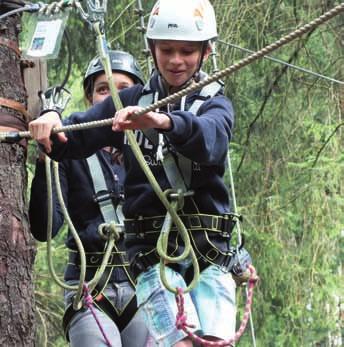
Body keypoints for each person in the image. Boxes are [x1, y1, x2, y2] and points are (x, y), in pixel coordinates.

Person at [29, 0, 236, 346]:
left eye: (187, 51)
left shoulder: (215, 104)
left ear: (206, 51)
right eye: (166, 49)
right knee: (180, 343)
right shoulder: (129, 100)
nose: (175, 60)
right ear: (152, 48)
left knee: (216, 342)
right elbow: (78, 135)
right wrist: (53, 120)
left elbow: (211, 140)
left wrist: (163, 122)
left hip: (209, 251)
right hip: (153, 257)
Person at [29, 50, 152, 347]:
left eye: (123, 90)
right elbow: (45, 228)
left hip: (144, 282)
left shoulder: (153, 150)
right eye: (103, 90)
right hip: (90, 285)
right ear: (90, 100)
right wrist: (47, 158)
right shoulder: (68, 154)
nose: (112, 97)